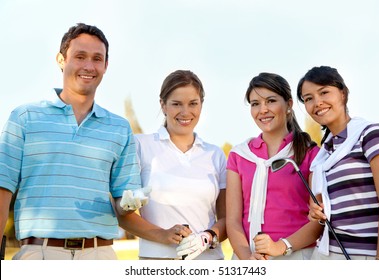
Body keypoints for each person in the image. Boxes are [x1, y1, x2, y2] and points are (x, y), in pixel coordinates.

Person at [0, 23, 142, 260]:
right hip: (39, 255)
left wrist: (131, 203)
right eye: (80, 56)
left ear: (106, 65)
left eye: (97, 58)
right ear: (60, 60)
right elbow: (3, 190)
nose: (89, 66)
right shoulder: (24, 118)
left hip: (101, 257)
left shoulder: (119, 128)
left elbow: (123, 204)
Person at [118, 70, 227, 260]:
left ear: (201, 104)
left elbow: (227, 220)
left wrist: (207, 237)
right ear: (163, 105)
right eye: (176, 104)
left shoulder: (215, 154)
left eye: (193, 103)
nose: (185, 112)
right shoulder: (140, 145)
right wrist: (163, 235)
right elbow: (122, 214)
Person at [226, 72, 323, 260]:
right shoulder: (239, 156)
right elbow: (233, 219)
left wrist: (280, 247)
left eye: (270, 101)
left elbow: (318, 220)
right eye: (255, 104)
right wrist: (247, 258)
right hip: (248, 258)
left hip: (296, 256)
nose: (262, 110)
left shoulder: (311, 154)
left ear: (288, 105)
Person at [297, 65, 379, 260]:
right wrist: (316, 212)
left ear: (343, 93)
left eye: (324, 92)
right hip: (326, 255)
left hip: (363, 256)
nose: (317, 103)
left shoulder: (370, 135)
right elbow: (327, 211)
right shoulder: (323, 155)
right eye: (308, 99)